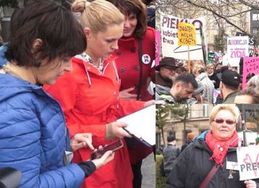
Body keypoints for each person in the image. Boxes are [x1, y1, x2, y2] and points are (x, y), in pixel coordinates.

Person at [0, 1, 114, 187]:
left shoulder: (24, 90)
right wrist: (86, 167)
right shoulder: (15, 110)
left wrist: (65, 143)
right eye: (64, 59)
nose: (69, 68)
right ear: (37, 49)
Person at [45, 1, 150, 187]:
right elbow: (55, 126)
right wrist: (105, 131)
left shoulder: (107, 61)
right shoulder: (67, 71)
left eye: (117, 39)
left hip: (114, 153)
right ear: (87, 34)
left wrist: (143, 107)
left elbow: (112, 104)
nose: (116, 46)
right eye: (110, 40)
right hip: (87, 158)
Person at [167, 104, 259, 187]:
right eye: (219, 121)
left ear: (234, 125)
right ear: (211, 123)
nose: (224, 124)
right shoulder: (192, 150)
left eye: (229, 122)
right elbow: (174, 182)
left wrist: (256, 186)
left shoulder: (247, 152)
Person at [107, 0, 155, 101]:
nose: (127, 25)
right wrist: (114, 97)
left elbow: (157, 73)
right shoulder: (103, 40)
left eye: (132, 18)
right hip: (115, 110)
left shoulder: (152, 36)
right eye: (122, 19)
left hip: (144, 105)